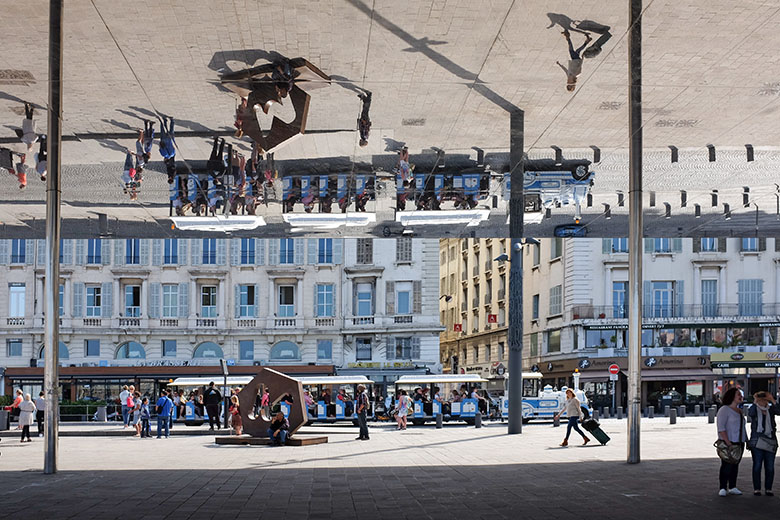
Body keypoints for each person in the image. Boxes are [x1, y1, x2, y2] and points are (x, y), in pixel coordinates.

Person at [717, 387, 748, 496]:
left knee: (735, 464)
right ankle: (723, 487)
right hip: (728, 442)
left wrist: (745, 439)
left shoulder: (739, 410)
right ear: (732, 397)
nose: (741, 396)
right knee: (726, 464)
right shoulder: (724, 410)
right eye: (738, 394)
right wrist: (728, 442)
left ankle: (732, 486)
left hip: (739, 442)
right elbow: (721, 428)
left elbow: (742, 427)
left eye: (741, 394)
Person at [747, 391, 779, 496]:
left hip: (770, 440)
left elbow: (779, 410)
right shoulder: (754, 409)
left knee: (770, 466)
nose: (762, 401)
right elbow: (750, 413)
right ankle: (757, 488)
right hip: (757, 442)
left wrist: (772, 400)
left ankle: (768, 488)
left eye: (764, 399)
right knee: (757, 465)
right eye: (760, 399)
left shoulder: (771, 409)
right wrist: (755, 401)